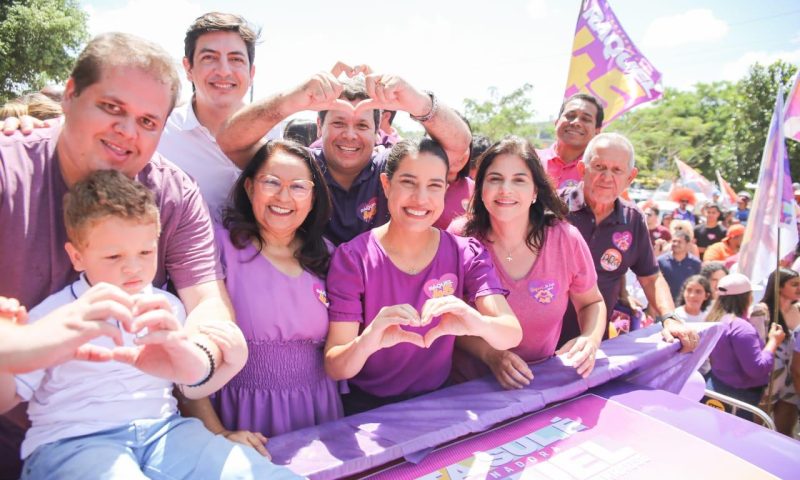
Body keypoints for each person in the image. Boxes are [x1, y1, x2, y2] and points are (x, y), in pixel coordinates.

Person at [0, 32, 245, 476]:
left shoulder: (173, 193)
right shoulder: (8, 171)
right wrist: (23, 344)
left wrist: (196, 356)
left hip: (160, 435)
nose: (127, 132)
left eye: (149, 122)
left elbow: (208, 307)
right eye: (112, 108)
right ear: (70, 94)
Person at [0, 170, 296, 479]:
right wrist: (7, 353)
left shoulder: (166, 307)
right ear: (77, 256)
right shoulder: (56, 316)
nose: (133, 267)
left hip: (164, 431)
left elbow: (191, 386)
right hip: (73, 441)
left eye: (145, 251)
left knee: (256, 473)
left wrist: (232, 360)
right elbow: (9, 397)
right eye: (113, 256)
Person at [323, 138, 522, 414]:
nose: (420, 198)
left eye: (434, 186)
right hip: (366, 411)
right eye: (408, 182)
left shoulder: (465, 252)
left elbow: (510, 334)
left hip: (439, 404)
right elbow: (336, 366)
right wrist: (369, 339)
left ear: (445, 190)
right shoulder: (353, 259)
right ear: (386, 184)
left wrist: (474, 323)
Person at [191, 140, 342, 447]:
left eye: (298, 186)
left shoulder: (329, 257)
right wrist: (217, 433)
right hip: (240, 414)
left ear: (313, 198)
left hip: (318, 410)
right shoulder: (218, 248)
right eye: (271, 182)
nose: (283, 196)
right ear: (249, 188)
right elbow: (186, 356)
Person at [217, 64, 471, 245]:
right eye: (338, 123)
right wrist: (292, 99)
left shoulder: (391, 168)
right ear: (320, 126)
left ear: (377, 132)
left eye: (362, 126)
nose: (350, 135)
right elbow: (231, 141)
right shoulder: (299, 167)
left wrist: (417, 102)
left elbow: (457, 148)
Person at [451, 136, 606, 389]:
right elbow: (446, 317)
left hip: (539, 389)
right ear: (480, 188)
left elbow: (592, 302)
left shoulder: (564, 238)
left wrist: (590, 339)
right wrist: (492, 355)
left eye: (519, 180)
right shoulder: (460, 237)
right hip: (467, 392)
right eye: (495, 178)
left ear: (535, 191)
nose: (505, 190)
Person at [558, 133, 698, 351]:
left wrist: (670, 318)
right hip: (538, 345)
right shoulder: (552, 209)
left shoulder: (633, 219)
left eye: (616, 170)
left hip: (593, 346)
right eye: (599, 166)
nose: (606, 177)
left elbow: (650, 277)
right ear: (582, 169)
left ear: (630, 177)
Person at [157, 12, 282, 223]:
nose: (224, 71)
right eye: (209, 58)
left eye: (236, 59)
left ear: (251, 73)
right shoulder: (162, 135)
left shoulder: (275, 133)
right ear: (188, 68)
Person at [705, 273, 785, 419]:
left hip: (718, 387)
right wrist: (773, 341)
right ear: (747, 297)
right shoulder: (741, 328)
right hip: (737, 401)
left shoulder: (714, 319)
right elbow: (757, 369)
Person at [757, 268, 800, 437]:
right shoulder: (762, 311)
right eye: (794, 284)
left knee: (785, 433)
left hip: (792, 381)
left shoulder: (799, 309)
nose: (799, 288)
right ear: (779, 286)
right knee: (756, 429)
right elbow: (756, 346)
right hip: (767, 379)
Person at [536, 93, 603, 189]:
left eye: (585, 119)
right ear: (556, 122)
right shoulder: (530, 160)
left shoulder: (599, 172)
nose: (576, 122)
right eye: (570, 115)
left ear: (597, 131)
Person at [658, 232, 702, 301]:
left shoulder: (695, 263)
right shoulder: (661, 261)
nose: (675, 244)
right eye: (674, 241)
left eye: (679, 242)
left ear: (687, 245)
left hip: (687, 302)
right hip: (666, 301)